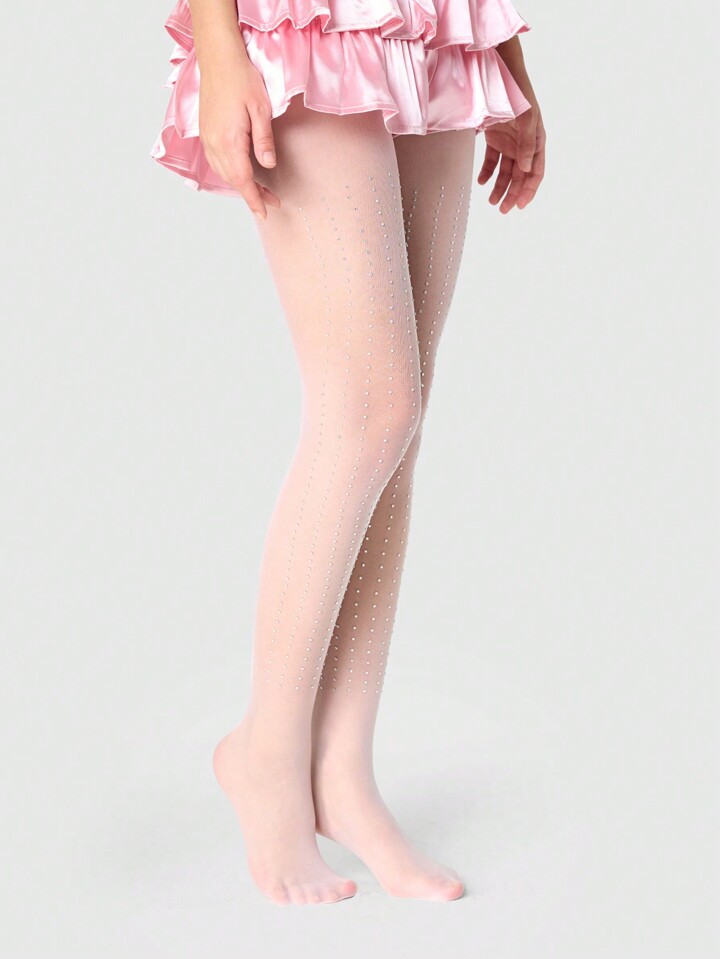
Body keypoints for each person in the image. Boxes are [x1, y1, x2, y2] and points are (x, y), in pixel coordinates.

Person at [150, 0, 546, 906]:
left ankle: (343, 768)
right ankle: (266, 752)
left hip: (436, 18)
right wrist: (218, 46)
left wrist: (507, 53)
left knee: (398, 424)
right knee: (369, 408)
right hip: (302, 21)